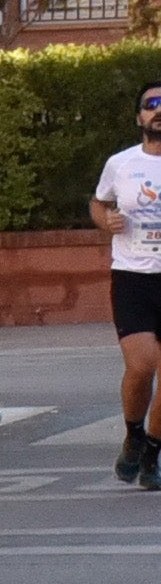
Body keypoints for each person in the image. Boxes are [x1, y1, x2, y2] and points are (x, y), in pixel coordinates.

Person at [92, 84, 161, 484]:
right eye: (152, 104)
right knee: (142, 367)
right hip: (133, 277)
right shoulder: (121, 164)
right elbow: (98, 202)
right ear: (140, 117)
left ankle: (152, 454)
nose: (158, 111)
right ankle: (134, 435)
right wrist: (106, 220)